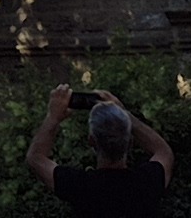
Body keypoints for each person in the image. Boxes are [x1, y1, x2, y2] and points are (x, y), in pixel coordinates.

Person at [26, 84, 175, 212]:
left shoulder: (80, 186)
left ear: (91, 141)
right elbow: (163, 152)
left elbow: (36, 158)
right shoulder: (146, 182)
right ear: (130, 143)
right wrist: (126, 115)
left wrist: (53, 117)